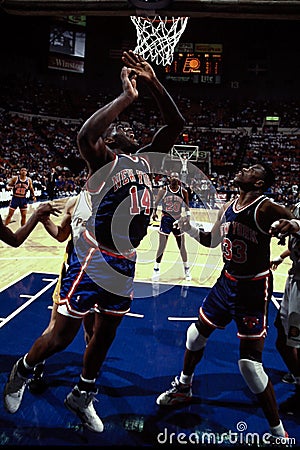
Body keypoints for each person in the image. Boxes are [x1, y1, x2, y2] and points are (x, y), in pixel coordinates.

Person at [3, 50, 185, 433]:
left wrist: (152, 82)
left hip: (126, 259)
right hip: (94, 259)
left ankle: (82, 394)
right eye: (123, 128)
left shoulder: (148, 162)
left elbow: (175, 122)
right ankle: (22, 371)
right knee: (61, 336)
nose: (131, 130)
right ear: (111, 138)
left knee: (104, 336)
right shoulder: (103, 161)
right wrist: (127, 98)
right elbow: (85, 134)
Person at [156, 163, 300, 440]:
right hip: (226, 282)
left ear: (259, 183)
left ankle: (277, 432)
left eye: (252, 169)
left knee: (249, 365)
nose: (243, 169)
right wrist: (189, 228)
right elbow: (211, 240)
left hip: (253, 289)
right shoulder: (229, 206)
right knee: (194, 335)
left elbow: (294, 220)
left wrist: (291, 223)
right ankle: (184, 387)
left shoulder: (265, 206)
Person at [28, 190, 93, 394]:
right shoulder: (75, 202)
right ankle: (36, 366)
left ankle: (87, 377)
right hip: (72, 272)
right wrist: (43, 219)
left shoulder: (115, 204)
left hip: (98, 275)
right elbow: (61, 235)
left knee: (92, 329)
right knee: (55, 326)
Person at [271, 201, 300, 414]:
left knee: (295, 339)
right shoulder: (298, 204)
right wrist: (281, 257)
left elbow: (295, 226)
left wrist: (293, 225)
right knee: (281, 334)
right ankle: (297, 374)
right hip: (294, 276)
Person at [152, 171, 192, 282]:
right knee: (162, 246)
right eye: (173, 176)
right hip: (166, 219)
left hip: (178, 219)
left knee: (182, 246)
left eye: (176, 176)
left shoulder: (183, 191)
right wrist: (154, 213)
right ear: (169, 178)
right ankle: (156, 269)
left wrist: (187, 218)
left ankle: (187, 270)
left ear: (179, 179)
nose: (174, 178)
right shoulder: (163, 190)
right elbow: (156, 203)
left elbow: (187, 206)